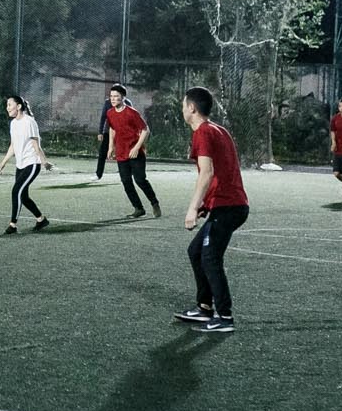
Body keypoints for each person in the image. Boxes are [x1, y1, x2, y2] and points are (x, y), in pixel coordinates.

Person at [174, 86, 247, 334]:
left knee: (210, 257)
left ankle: (224, 316)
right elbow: (223, 171)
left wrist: (192, 208)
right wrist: (207, 204)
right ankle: (204, 308)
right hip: (227, 204)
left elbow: (207, 173)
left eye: (183, 105)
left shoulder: (203, 132)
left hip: (229, 206)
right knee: (196, 251)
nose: (182, 110)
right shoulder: (218, 130)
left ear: (191, 108)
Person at [0, 94, 52, 234]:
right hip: (20, 164)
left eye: (10, 105)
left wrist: (44, 162)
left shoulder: (29, 122)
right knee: (23, 196)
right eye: (7, 105)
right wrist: (3, 162)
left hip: (32, 164)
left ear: (18, 106)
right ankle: (41, 220)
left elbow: (36, 145)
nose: (7, 108)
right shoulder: (13, 123)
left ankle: (13, 225)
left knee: (16, 191)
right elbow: (13, 146)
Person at [105, 84, 158, 218]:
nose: (113, 99)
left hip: (135, 153)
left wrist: (136, 147)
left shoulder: (132, 113)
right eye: (111, 96)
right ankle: (138, 208)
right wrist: (111, 147)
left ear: (123, 97)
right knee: (126, 181)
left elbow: (145, 130)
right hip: (121, 153)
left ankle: (154, 202)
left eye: (116, 96)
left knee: (140, 180)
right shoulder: (110, 113)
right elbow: (112, 129)